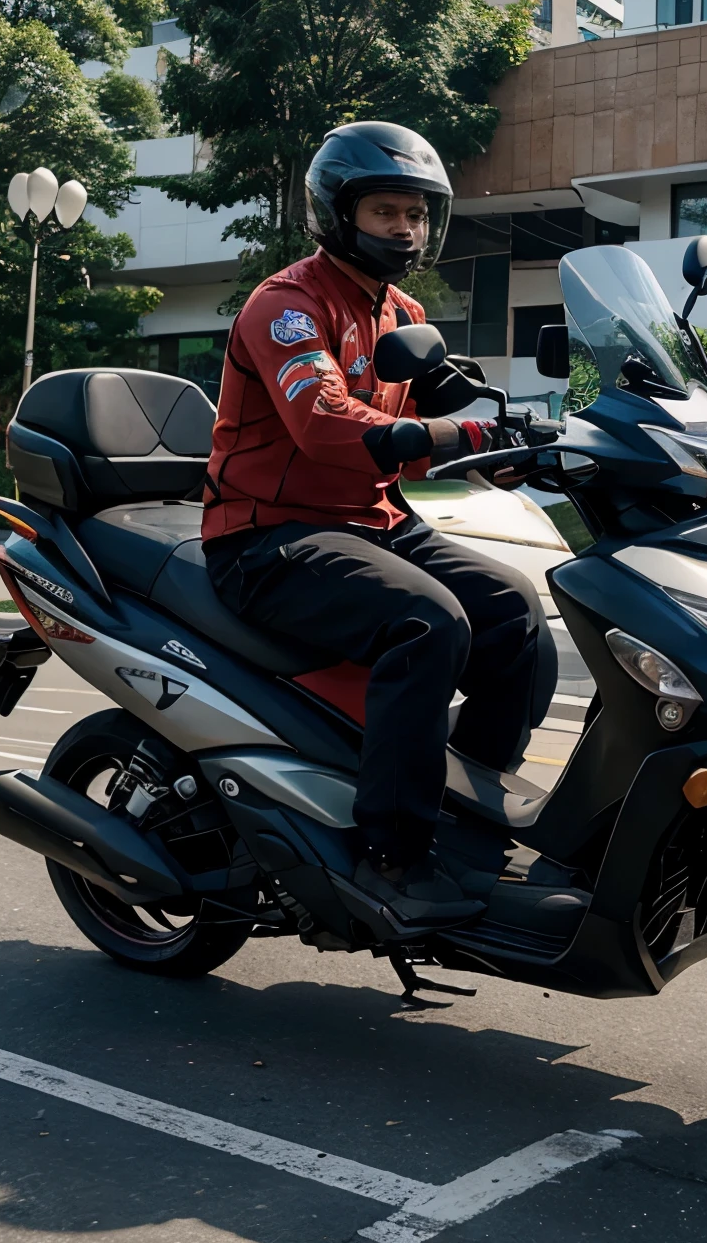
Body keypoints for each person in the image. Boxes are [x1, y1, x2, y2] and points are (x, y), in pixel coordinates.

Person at [201, 121, 554, 924]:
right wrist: (456, 436)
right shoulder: (285, 305)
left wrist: (509, 443)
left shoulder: (400, 312)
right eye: (387, 211)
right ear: (338, 211)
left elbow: (420, 429)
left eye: (418, 214)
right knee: (428, 623)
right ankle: (389, 856)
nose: (406, 228)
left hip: (370, 520)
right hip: (268, 536)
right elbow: (329, 424)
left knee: (516, 615)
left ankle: (472, 803)